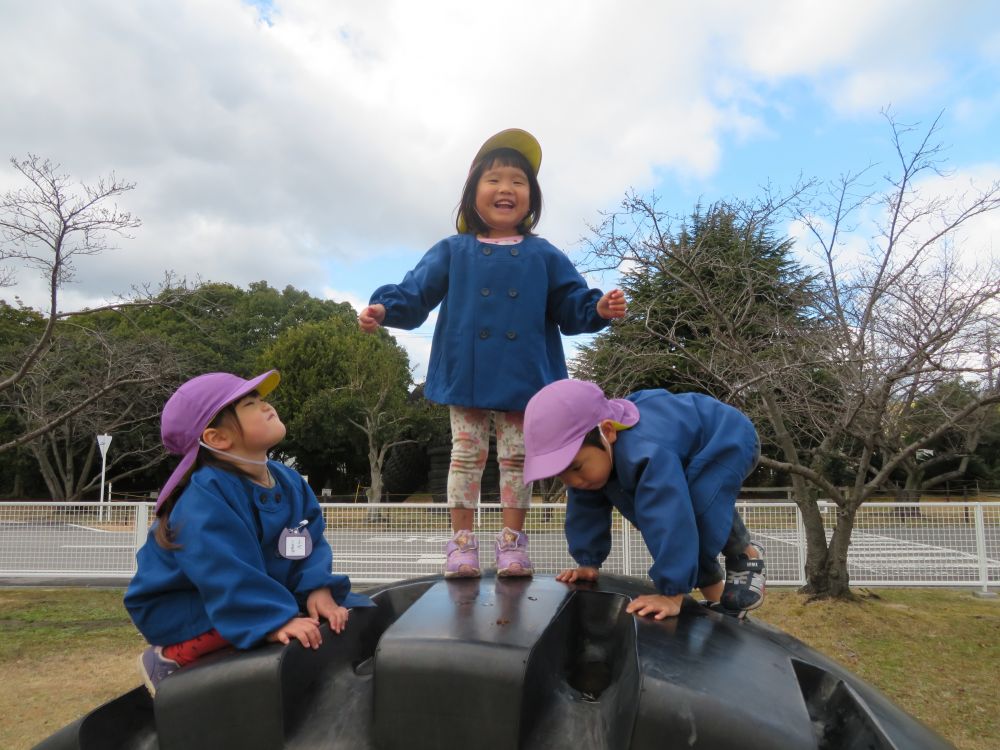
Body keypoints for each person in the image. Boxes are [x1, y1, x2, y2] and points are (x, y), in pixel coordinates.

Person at [359, 128, 626, 579]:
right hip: (468, 372)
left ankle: (512, 543)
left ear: (531, 198)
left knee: (518, 459)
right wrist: (386, 309)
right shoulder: (453, 249)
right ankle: (461, 543)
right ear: (472, 194)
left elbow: (570, 303)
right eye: (494, 179)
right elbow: (416, 292)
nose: (506, 189)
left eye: (518, 182)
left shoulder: (544, 254)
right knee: (465, 456)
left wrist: (597, 308)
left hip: (526, 377)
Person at [124, 370, 373, 696]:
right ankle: (167, 658)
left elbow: (302, 542)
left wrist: (316, 588)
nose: (267, 405)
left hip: (249, 591)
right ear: (217, 439)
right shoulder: (205, 497)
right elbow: (223, 568)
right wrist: (272, 620)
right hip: (184, 601)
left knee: (345, 613)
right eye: (251, 403)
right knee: (244, 623)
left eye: (262, 398)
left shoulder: (289, 481)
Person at [522, 379, 766, 619]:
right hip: (683, 449)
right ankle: (722, 608)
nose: (572, 481)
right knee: (690, 521)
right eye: (561, 474)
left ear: (608, 432)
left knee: (699, 513)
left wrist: (671, 592)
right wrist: (588, 562)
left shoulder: (645, 452)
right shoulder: (593, 461)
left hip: (726, 438)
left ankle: (746, 554)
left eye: (575, 468)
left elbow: (668, 518)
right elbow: (585, 511)